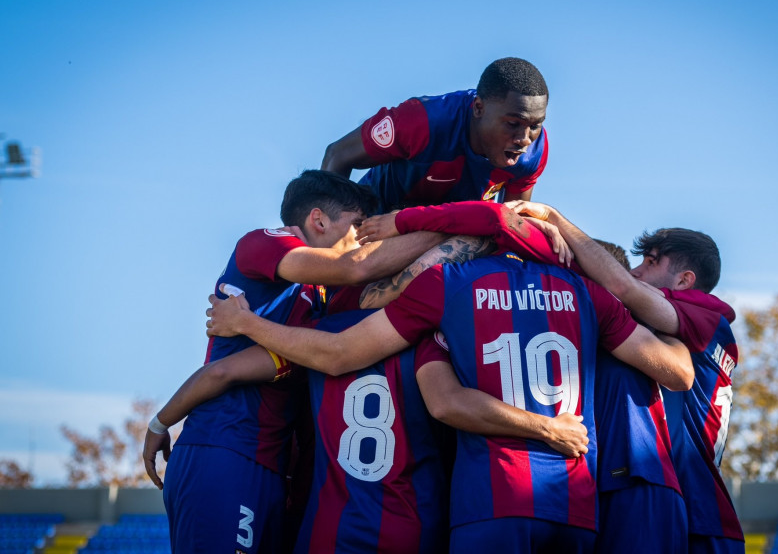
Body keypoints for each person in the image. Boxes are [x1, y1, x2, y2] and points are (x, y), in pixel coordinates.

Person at [206, 247, 694, 553]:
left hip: (488, 502)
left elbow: (340, 356)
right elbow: (678, 373)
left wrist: (245, 323)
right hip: (575, 505)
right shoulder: (588, 293)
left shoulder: (445, 288)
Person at [355, 200, 690, 552]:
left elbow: (442, 400)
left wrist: (403, 221)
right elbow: (679, 372)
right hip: (583, 497)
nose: (636, 275)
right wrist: (678, 330)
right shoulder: (589, 300)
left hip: (501, 498)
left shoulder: (452, 294)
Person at [143, 170, 445, 554]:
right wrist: (159, 422)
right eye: (356, 226)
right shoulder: (265, 243)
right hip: (225, 449)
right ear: (318, 220)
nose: (363, 239)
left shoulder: (314, 300)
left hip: (269, 466)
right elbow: (355, 265)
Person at [508, 201, 745, 554]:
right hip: (692, 502)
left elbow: (621, 286)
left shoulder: (707, 316)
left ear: (685, 281)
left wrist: (554, 219)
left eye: (650, 262)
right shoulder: (686, 325)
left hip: (696, 508)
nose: (636, 271)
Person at [321, 57, 550, 212]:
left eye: (535, 125)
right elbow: (337, 155)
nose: (524, 139)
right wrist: (332, 244)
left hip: (450, 235)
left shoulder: (533, 152)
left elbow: (512, 227)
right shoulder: (422, 121)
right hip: (380, 218)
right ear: (478, 108)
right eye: (513, 123)